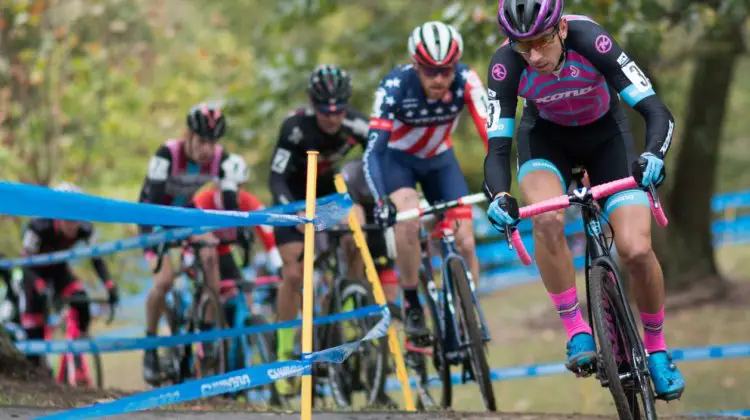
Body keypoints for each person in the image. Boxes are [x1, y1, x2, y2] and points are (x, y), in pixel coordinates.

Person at [483, 0, 684, 400]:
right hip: (545, 140)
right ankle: (576, 328)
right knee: (546, 220)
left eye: (541, 41)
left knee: (636, 249)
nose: (534, 56)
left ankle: (658, 349)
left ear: (559, 29)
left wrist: (653, 155)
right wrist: (500, 196)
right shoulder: (505, 64)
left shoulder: (594, 41)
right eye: (524, 47)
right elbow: (498, 147)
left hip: (606, 137)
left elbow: (656, 111)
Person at [364, 21, 489, 345]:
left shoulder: (466, 80)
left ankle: (469, 314)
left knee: (465, 240)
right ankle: (412, 301)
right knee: (407, 219)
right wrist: (381, 201)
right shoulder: (394, 86)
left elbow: (493, 134)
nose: (439, 79)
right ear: (416, 66)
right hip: (398, 162)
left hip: (440, 161)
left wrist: (499, 179)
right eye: (430, 71)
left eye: (446, 70)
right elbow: (373, 153)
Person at [268, 64, 369, 396]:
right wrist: (292, 211)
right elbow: (277, 177)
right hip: (292, 200)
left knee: (359, 227)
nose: (333, 118)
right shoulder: (294, 127)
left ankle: (350, 302)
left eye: (339, 109)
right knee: (294, 273)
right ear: (313, 104)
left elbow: (378, 161)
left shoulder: (356, 124)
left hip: (327, 197)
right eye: (325, 111)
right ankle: (284, 349)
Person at [137, 103, 245, 385]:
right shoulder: (166, 154)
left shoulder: (221, 159)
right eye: (201, 141)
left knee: (210, 252)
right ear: (188, 135)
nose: (207, 149)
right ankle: (150, 347)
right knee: (164, 281)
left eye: (212, 142)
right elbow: (152, 200)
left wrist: (240, 233)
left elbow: (232, 202)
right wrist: (156, 242)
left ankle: (207, 330)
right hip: (153, 215)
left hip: (185, 212)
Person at [18, 183, 119, 368]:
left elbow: (96, 259)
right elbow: (25, 264)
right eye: (68, 220)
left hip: (59, 271)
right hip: (34, 274)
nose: (74, 225)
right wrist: (40, 285)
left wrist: (109, 285)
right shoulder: (38, 226)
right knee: (34, 332)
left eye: (77, 219)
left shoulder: (85, 229)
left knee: (81, 300)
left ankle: (78, 346)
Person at [190, 154, 283, 313]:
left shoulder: (248, 201)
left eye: (241, 186)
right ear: (218, 185)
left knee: (245, 293)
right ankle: (203, 331)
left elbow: (268, 236)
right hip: (199, 253)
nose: (238, 191)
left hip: (225, 252)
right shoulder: (203, 200)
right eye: (234, 186)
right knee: (210, 295)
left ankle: (246, 323)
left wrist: (279, 265)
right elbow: (191, 234)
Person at [340, 160, 400, 303]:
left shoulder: (390, 169)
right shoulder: (352, 170)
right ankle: (357, 300)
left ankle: (390, 316)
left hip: (380, 228)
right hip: (360, 223)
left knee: (388, 288)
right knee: (356, 250)